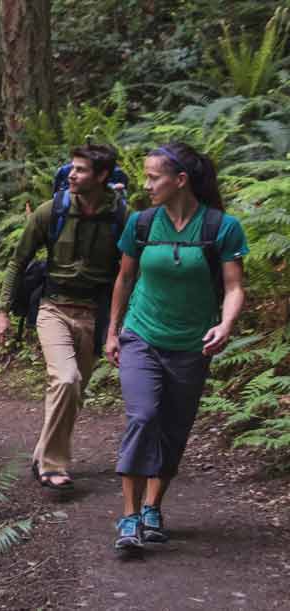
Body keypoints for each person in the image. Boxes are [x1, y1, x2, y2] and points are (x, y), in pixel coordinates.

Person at [104, 141, 248, 552]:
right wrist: (113, 331)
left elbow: (235, 286)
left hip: (191, 345)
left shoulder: (221, 227)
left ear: (180, 180)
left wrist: (226, 323)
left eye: (154, 177)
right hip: (141, 336)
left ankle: (153, 508)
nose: (146, 185)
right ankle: (129, 517)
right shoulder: (142, 224)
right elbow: (124, 280)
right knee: (143, 416)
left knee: (173, 427)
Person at [0, 144, 125, 490]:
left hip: (94, 314)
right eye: (72, 167)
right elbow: (17, 262)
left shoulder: (120, 217)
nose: (72, 173)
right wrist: (2, 311)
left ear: (101, 176)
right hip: (53, 308)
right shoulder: (51, 211)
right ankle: (53, 465)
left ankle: (42, 453)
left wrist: (120, 324)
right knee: (66, 379)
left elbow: (130, 273)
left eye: (81, 170)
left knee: (72, 392)